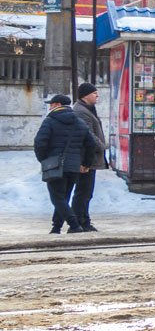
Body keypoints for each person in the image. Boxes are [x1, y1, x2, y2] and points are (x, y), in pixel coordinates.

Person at [34, 94, 94, 234]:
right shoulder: (79, 122)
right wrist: (86, 163)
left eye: (51, 104)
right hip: (73, 166)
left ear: (57, 105)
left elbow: (39, 143)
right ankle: (56, 227)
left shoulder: (50, 121)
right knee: (64, 197)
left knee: (57, 197)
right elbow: (90, 144)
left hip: (55, 165)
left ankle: (74, 225)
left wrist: (44, 160)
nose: (49, 107)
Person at [71, 82, 107, 232]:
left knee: (86, 192)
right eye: (94, 93)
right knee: (83, 192)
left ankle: (83, 220)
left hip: (89, 158)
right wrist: (102, 146)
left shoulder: (88, 109)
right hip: (86, 159)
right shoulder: (81, 111)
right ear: (85, 95)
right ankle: (78, 222)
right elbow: (88, 135)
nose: (97, 96)